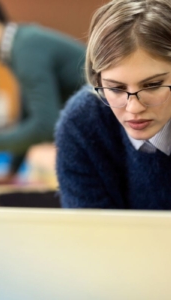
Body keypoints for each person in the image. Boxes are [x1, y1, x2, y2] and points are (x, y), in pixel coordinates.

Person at [0, 0, 86, 175]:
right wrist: (10, 173)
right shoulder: (20, 44)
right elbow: (27, 118)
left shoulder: (26, 49)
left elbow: (46, 125)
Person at [56, 0, 171, 209]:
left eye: (153, 85)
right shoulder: (82, 124)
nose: (134, 108)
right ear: (97, 81)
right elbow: (90, 234)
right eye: (116, 89)